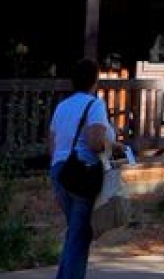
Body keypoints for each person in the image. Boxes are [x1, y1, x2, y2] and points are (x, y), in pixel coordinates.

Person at [49, 58, 114, 279]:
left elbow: (53, 142)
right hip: (82, 173)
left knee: (73, 233)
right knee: (79, 237)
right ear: (94, 81)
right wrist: (112, 146)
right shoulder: (95, 105)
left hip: (59, 169)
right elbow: (95, 142)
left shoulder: (61, 106)